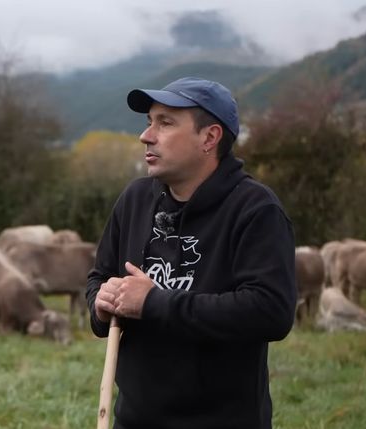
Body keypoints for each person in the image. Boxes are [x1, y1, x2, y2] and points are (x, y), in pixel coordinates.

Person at [86, 77, 296, 429]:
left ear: (209, 138)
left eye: (165, 123)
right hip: (134, 420)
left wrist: (153, 303)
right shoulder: (135, 200)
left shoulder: (255, 210)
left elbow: (270, 311)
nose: (147, 135)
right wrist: (102, 302)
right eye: (149, 122)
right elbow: (99, 278)